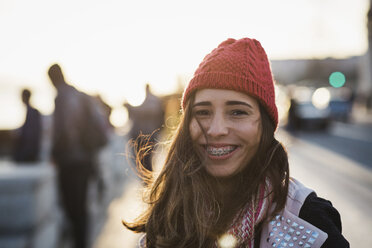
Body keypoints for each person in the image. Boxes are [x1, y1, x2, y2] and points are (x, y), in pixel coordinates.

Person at [123, 38, 349, 248]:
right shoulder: (168, 213)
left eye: (238, 112)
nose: (216, 130)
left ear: (265, 126)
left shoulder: (308, 220)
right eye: (203, 112)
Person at [48, 63, 108, 248]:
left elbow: (64, 131)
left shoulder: (61, 97)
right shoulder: (80, 95)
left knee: (72, 208)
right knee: (81, 207)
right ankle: (83, 242)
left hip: (70, 162)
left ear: (52, 79)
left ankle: (79, 243)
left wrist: (54, 153)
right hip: (86, 160)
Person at [124, 84, 164, 172]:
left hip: (142, 135)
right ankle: (148, 179)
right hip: (149, 134)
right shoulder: (153, 100)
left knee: (142, 160)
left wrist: (129, 108)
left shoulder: (141, 100)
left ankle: (147, 180)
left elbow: (133, 116)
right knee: (146, 159)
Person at [12, 88, 42, 163]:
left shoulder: (32, 112)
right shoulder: (32, 111)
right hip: (30, 148)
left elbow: (29, 133)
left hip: (28, 149)